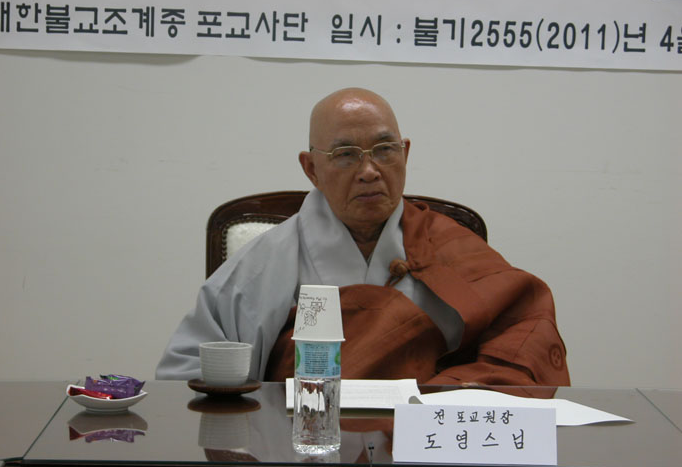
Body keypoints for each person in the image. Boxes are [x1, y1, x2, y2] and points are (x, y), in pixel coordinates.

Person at [156, 88, 570, 387]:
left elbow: (524, 338)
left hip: (424, 451)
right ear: (311, 169)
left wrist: (448, 401)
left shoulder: (448, 247)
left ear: (405, 153)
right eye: (346, 155)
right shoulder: (265, 263)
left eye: (385, 150)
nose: (369, 171)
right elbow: (188, 374)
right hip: (301, 447)